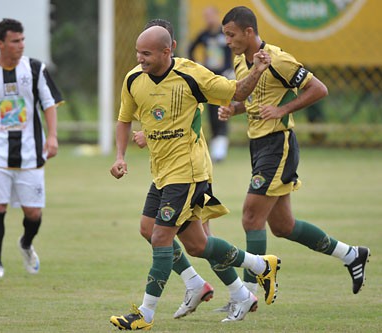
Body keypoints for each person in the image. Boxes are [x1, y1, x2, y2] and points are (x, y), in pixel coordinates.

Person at [109, 25, 280, 331]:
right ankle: (257, 266)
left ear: (167, 51)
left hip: (189, 172)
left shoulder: (192, 75)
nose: (140, 58)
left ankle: (145, 315)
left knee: (162, 237)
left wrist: (257, 69)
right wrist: (120, 156)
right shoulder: (134, 78)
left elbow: (237, 92)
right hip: (162, 173)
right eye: (138, 52)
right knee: (189, 242)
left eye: (146, 53)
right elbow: (124, 119)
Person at [218, 6, 370, 304]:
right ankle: (351, 254)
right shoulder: (240, 62)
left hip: (279, 145)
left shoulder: (279, 59)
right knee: (283, 226)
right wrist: (233, 109)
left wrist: (283, 110)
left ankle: (246, 296)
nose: (227, 41)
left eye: (231, 34)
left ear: (249, 32)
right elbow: (252, 100)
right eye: (225, 35)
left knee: (251, 216)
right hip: (258, 145)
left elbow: (319, 88)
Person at [0, 18, 62, 278]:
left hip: (31, 154)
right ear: (0, 43)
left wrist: (52, 136)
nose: (21, 45)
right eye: (15, 41)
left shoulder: (35, 69)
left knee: (33, 213)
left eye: (22, 40)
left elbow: (49, 104)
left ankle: (26, 244)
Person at [188, 6, 233, 162]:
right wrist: (198, 65)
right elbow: (191, 49)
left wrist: (230, 69)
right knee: (211, 111)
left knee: (222, 108)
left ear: (217, 16)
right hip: (208, 77)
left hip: (224, 76)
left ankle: (221, 146)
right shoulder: (204, 35)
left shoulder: (224, 35)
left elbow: (233, 52)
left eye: (210, 15)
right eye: (205, 16)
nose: (208, 19)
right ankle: (215, 145)